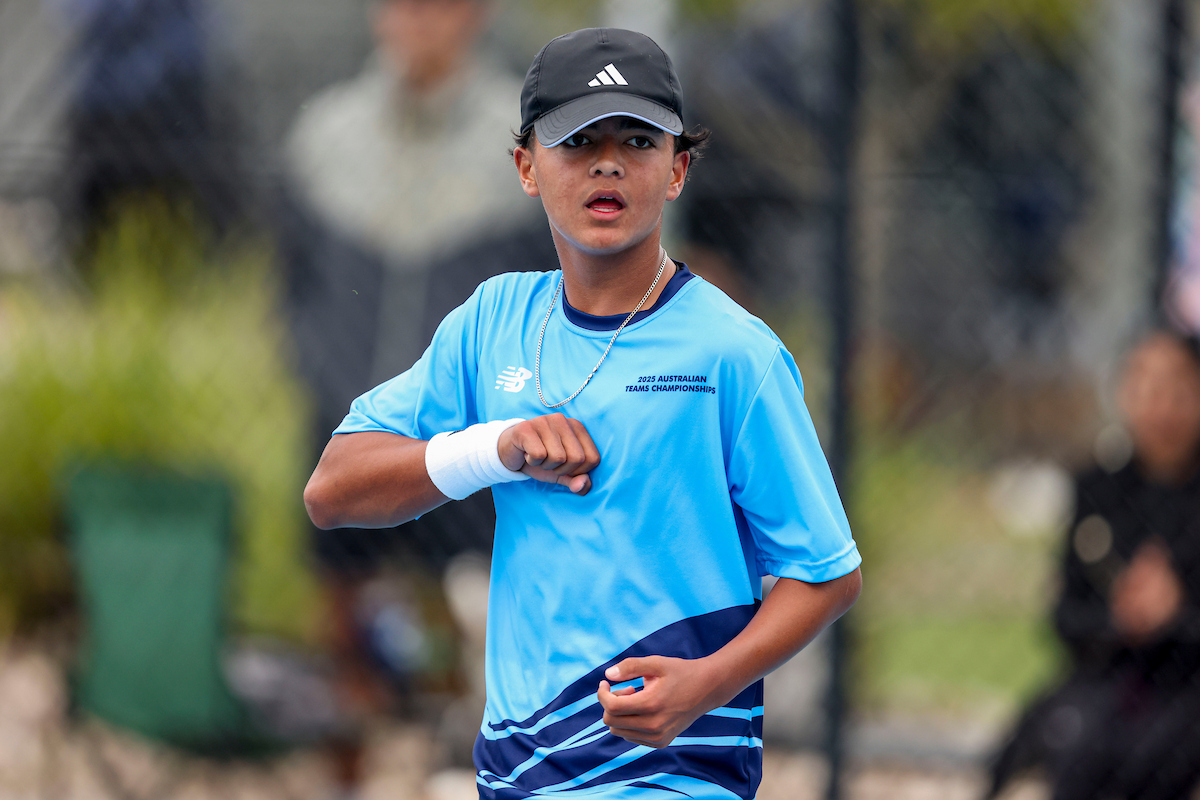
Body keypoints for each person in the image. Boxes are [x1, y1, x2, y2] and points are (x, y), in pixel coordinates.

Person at [304, 27, 862, 798]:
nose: (607, 162)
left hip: (674, 777)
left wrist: (704, 684)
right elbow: (331, 491)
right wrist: (494, 446)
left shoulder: (734, 352)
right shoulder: (491, 321)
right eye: (577, 141)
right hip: (519, 773)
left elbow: (826, 573)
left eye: (637, 139)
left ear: (678, 169)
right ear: (527, 168)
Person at [985, 330, 1200, 800]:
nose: (1161, 406)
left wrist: (1176, 615)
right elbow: (1065, 617)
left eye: (1177, 388)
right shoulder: (1098, 489)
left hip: (1189, 685)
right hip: (1107, 680)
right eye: (1145, 387)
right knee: (1070, 739)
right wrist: (1123, 617)